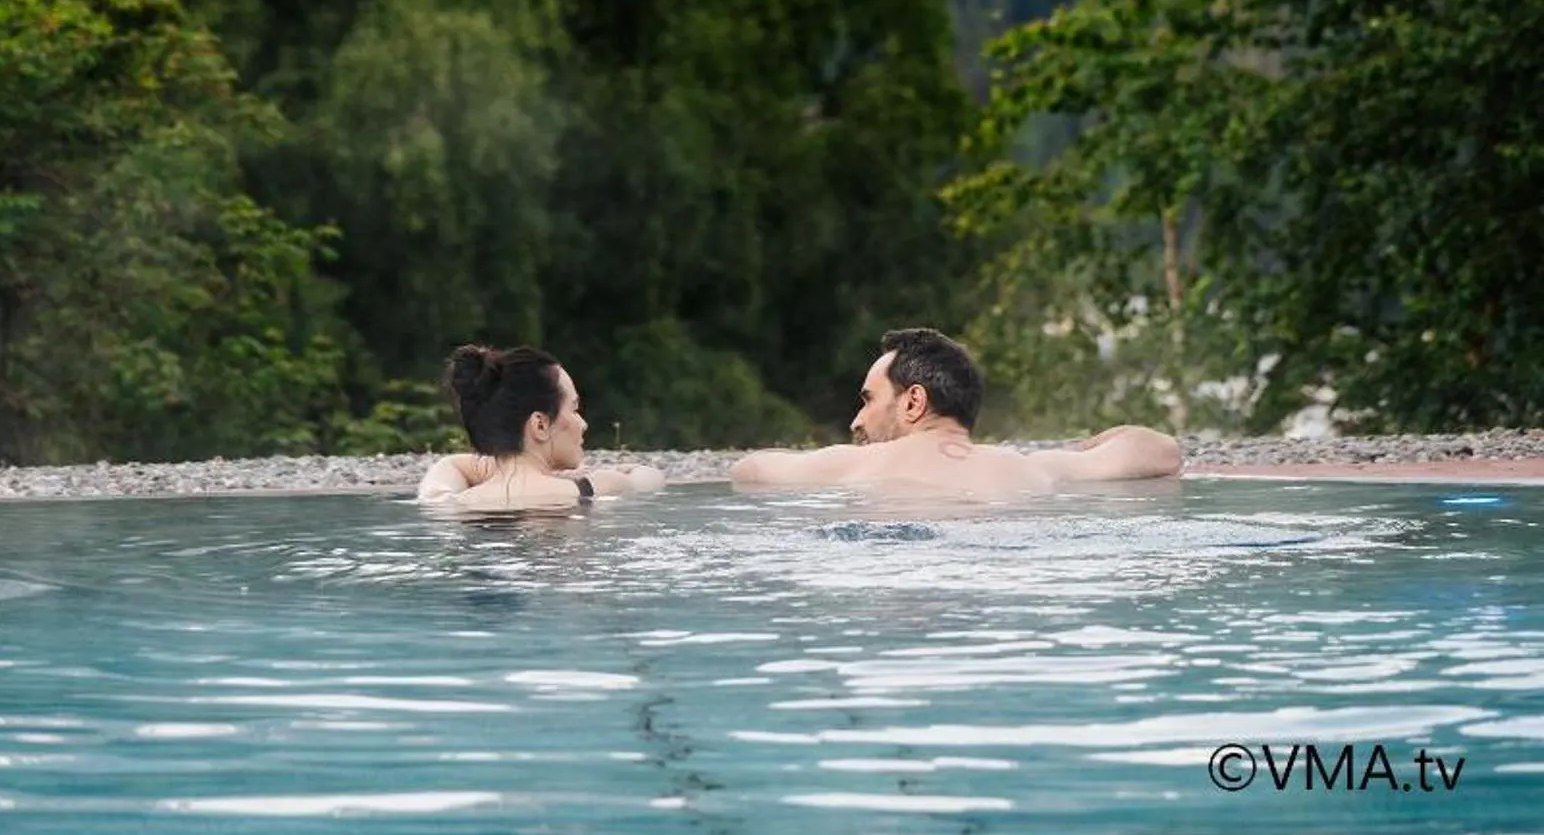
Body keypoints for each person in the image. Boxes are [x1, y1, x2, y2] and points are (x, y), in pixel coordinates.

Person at [731, 325, 1182, 501]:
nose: (856, 421)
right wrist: (1085, 448)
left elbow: (747, 471)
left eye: (868, 400)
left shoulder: (848, 463)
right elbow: (1162, 453)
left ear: (913, 401)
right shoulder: (1027, 467)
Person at [417, 343, 666, 516]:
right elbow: (651, 479)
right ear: (540, 425)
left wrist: (507, 465)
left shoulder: (452, 503)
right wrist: (589, 476)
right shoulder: (588, 489)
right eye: (574, 409)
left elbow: (449, 466)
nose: (583, 423)